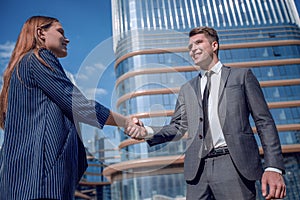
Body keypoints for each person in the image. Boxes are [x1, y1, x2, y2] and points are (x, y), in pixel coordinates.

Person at [128, 26, 286, 200]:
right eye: (190, 47)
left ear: (214, 45)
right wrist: (146, 132)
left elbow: (264, 122)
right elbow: (177, 127)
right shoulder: (187, 89)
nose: (193, 49)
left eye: (198, 42)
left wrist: (273, 167)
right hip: (197, 171)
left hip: (233, 165)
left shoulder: (241, 76)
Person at [0, 16, 141, 200]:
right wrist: (126, 122)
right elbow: (78, 104)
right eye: (60, 31)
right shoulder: (38, 58)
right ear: (40, 32)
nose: (67, 39)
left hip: (20, 184)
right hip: (41, 183)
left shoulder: (17, 72)